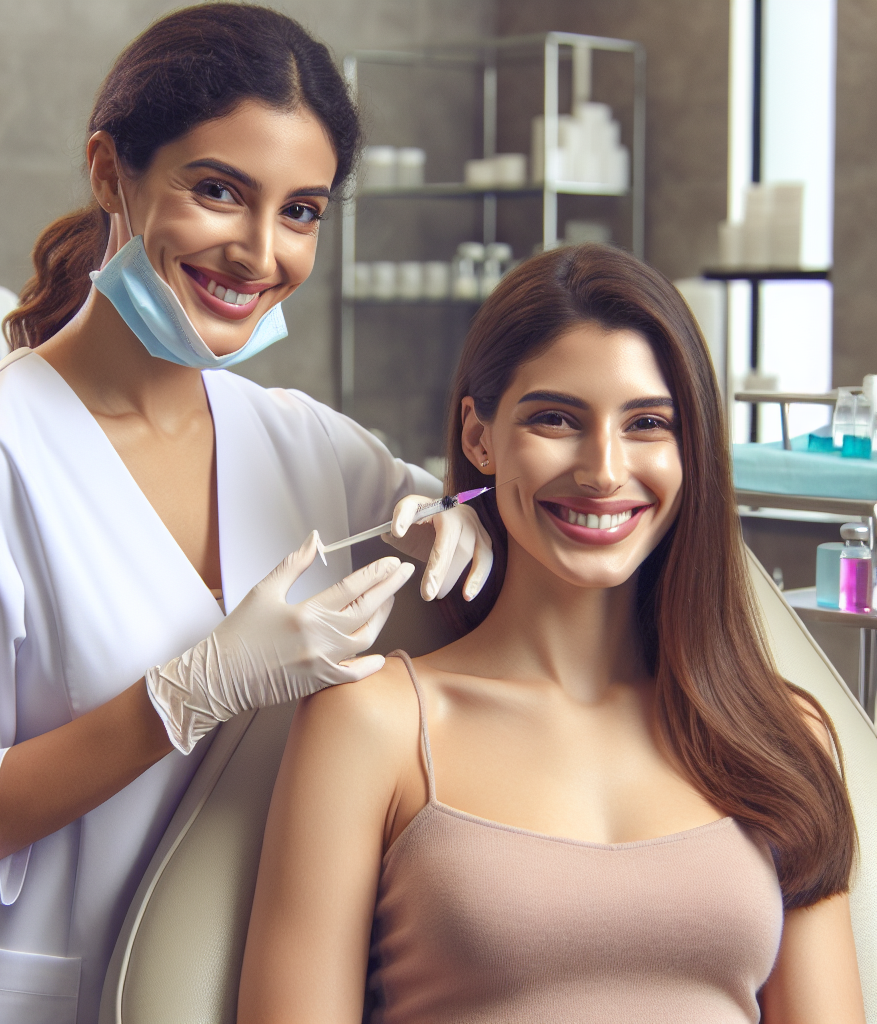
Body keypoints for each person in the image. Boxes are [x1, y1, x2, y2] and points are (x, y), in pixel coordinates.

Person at [0, 7, 493, 1022]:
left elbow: (465, 516)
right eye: (218, 191)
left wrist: (463, 517)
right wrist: (184, 696)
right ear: (111, 172)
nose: (260, 252)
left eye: (301, 212)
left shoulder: (312, 446)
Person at [237, 244, 865, 1024]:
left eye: (648, 423)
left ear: (692, 449)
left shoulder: (781, 736)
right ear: (480, 437)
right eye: (556, 419)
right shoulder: (371, 725)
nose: (604, 470)